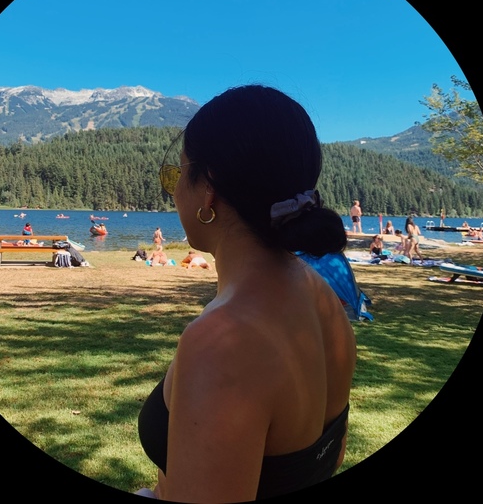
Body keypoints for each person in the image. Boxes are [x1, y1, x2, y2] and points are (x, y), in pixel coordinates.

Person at [137, 85, 356, 502]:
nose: (174, 190)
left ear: (208, 189)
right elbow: (331, 454)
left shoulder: (223, 344)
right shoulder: (323, 299)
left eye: (176, 175)